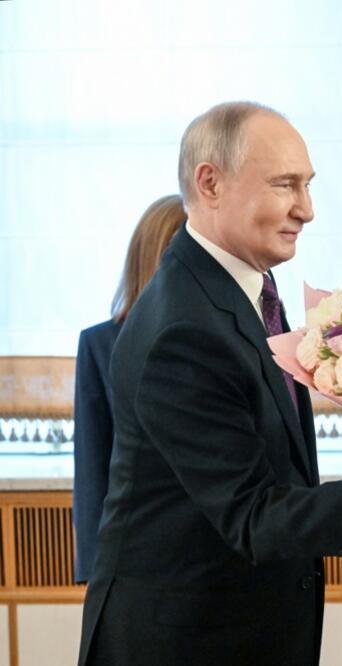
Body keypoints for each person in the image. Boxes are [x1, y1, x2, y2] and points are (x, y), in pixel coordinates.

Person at [77, 102, 342, 666]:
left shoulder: (241, 289)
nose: (308, 209)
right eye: (285, 185)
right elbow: (252, 516)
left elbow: (277, 474)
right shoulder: (183, 328)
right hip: (187, 642)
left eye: (308, 184)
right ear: (210, 184)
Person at [72, 194, 187, 584]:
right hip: (135, 558)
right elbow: (92, 469)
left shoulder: (232, 338)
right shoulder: (99, 344)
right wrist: (95, 573)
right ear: (153, 255)